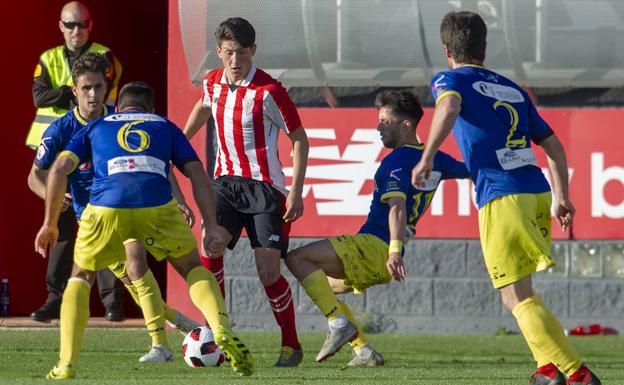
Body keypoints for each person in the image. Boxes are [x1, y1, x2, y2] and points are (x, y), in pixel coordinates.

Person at [411, 11, 601, 385]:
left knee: (515, 295)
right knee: (519, 292)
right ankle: (547, 370)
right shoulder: (513, 88)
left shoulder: (449, 78)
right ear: (484, 47)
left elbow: (448, 107)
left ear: (447, 49)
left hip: (502, 196)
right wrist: (563, 197)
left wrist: (428, 155)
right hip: (536, 192)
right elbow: (554, 146)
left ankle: (576, 374)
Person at [35, 81, 254, 379]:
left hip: (103, 210)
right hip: (157, 205)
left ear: (118, 106)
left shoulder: (97, 126)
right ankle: (219, 329)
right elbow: (195, 172)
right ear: (150, 110)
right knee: (191, 267)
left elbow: (59, 169)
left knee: (82, 276)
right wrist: (211, 224)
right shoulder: (164, 125)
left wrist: (49, 223)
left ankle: (66, 363)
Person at [28, 53, 199, 361]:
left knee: (136, 265)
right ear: (75, 90)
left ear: (107, 89)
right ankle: (187, 327)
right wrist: (50, 196)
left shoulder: (120, 118)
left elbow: (156, 160)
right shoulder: (60, 130)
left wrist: (181, 200)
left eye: (98, 87)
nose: (93, 95)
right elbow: (34, 176)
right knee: (133, 283)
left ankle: (160, 346)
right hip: (92, 219)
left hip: (130, 205)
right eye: (86, 89)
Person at [285, 90, 469, 366]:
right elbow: (472, 169)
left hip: (376, 246)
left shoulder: (396, 161)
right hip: (386, 255)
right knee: (324, 288)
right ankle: (363, 351)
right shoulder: (437, 160)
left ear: (405, 124)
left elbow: (397, 206)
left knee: (296, 259)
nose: (378, 127)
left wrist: (393, 249)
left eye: (385, 121)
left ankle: (338, 325)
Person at [183, 17, 309, 367]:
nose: (234, 60)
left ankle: (291, 345)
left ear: (253, 51)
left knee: (268, 269)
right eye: (227, 53)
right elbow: (203, 107)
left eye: (241, 52)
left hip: (265, 188)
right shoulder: (212, 82)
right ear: (219, 52)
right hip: (224, 183)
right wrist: (178, 142)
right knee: (212, 245)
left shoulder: (270, 91)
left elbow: (299, 139)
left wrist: (296, 192)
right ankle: (218, 334)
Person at [27, 1, 123, 323]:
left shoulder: (104, 56)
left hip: (97, 142)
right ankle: (54, 298)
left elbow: (104, 88)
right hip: (57, 144)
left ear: (90, 25)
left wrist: (69, 95)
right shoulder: (49, 58)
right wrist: (69, 96)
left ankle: (112, 302)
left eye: (81, 24)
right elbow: (39, 97)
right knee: (61, 226)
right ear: (60, 26)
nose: (76, 31)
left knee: (108, 224)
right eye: (70, 25)